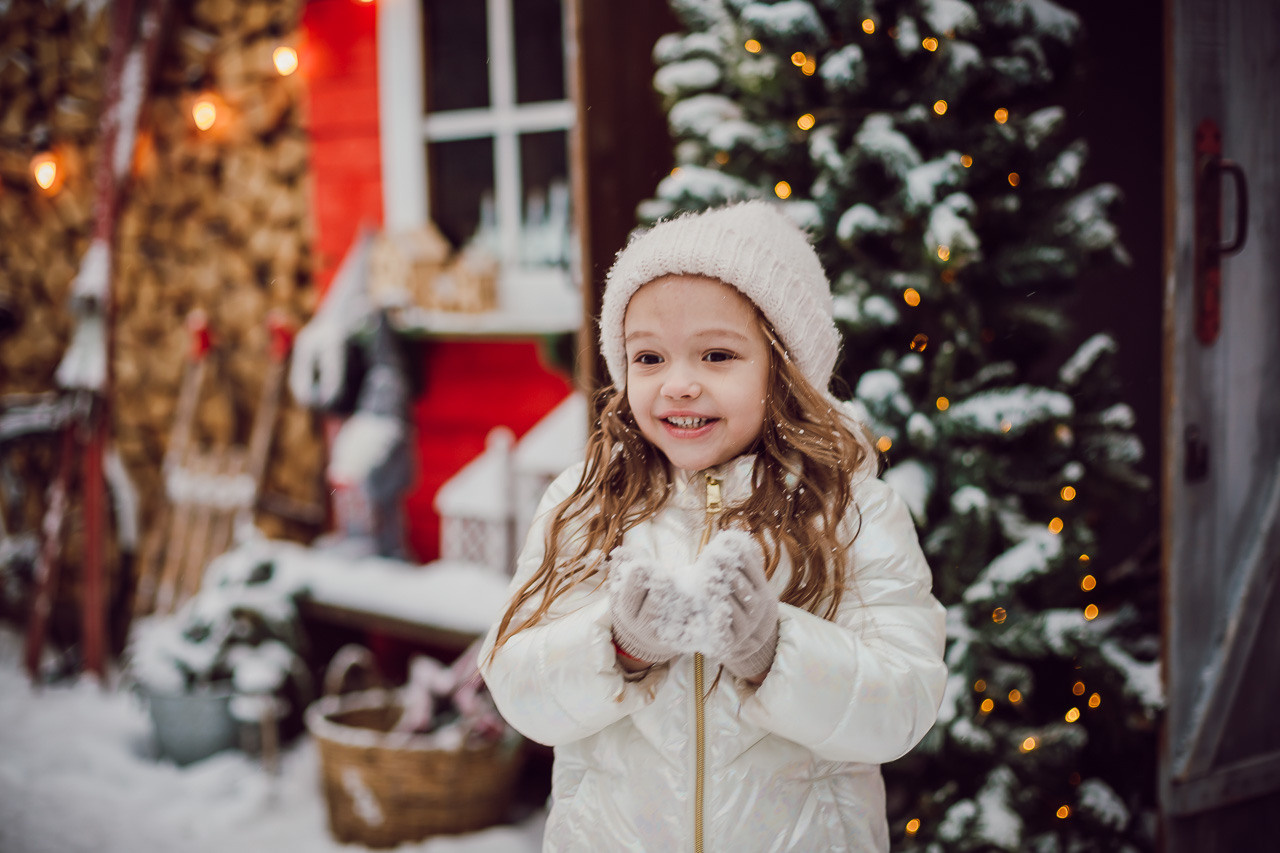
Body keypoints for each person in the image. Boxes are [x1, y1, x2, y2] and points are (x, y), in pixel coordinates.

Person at [480, 201, 947, 851]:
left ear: (785, 372)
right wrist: (616, 645)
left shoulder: (849, 509)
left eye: (717, 354)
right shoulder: (588, 502)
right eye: (648, 358)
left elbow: (905, 702)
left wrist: (774, 650)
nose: (678, 384)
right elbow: (517, 683)